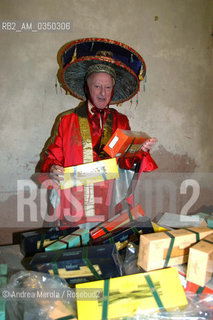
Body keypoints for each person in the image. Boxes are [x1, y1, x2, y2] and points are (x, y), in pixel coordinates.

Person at [38, 38, 157, 228]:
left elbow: (125, 160)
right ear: (87, 87)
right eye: (97, 86)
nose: (103, 93)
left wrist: (139, 151)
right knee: (75, 251)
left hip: (110, 201)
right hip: (74, 201)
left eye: (108, 87)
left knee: (107, 250)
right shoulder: (67, 120)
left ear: (113, 89)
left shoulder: (121, 121)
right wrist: (52, 168)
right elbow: (51, 158)